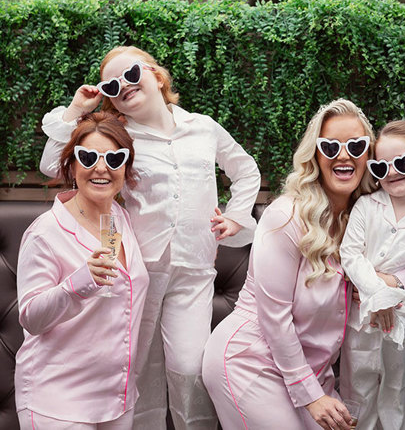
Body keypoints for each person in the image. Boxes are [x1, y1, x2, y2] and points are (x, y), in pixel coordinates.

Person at [39, 46, 261, 429]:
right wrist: (76, 110)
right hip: (137, 272)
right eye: (112, 84)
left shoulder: (203, 127)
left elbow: (245, 170)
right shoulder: (120, 135)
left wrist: (238, 216)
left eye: (131, 73)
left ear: (157, 76)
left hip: (194, 270)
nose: (123, 85)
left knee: (189, 367)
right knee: (137, 369)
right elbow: (51, 165)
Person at [202, 98, 375, 430]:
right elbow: (275, 318)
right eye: (330, 146)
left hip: (311, 370)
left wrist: (392, 285)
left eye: (356, 145)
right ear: (315, 154)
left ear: (368, 154)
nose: (344, 155)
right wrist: (311, 396)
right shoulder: (287, 215)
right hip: (250, 361)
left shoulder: (366, 219)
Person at [15, 111, 149, 429]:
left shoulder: (118, 218)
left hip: (117, 399)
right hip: (57, 401)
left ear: (125, 168)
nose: (101, 167)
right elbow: (31, 318)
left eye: (114, 158)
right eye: (88, 157)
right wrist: (77, 284)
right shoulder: (45, 232)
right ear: (72, 166)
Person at [338, 120, 405, 429]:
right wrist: (378, 293)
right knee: (357, 398)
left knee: (400, 399)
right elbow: (350, 255)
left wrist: (399, 311)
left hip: (402, 332)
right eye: (381, 167)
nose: (392, 172)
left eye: (401, 162)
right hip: (360, 325)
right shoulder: (366, 207)